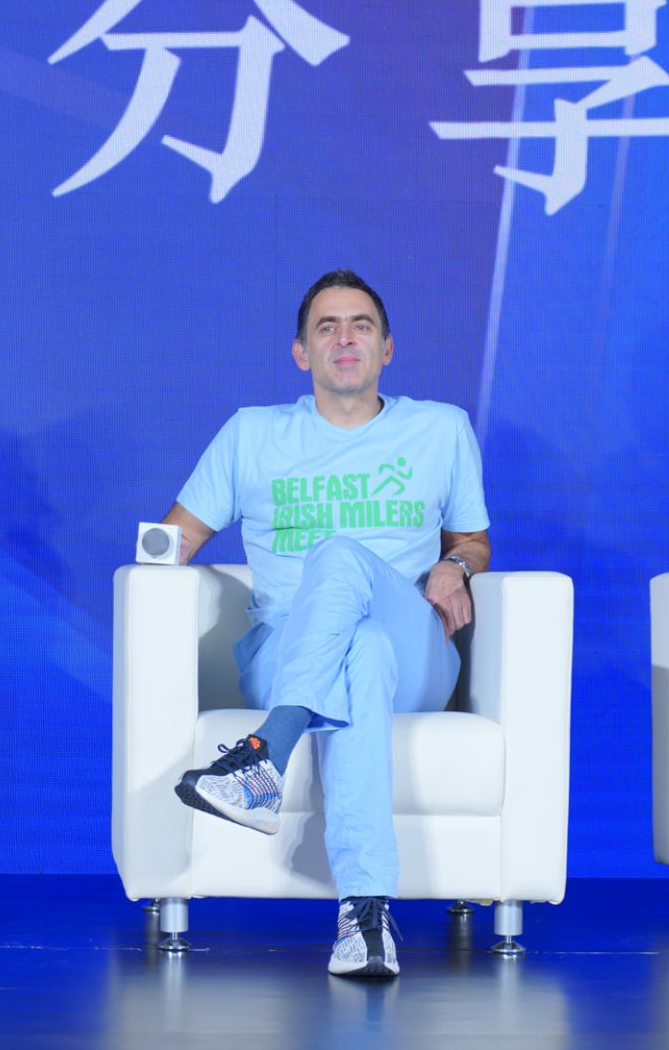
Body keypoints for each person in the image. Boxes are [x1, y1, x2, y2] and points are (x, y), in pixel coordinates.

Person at [160, 269, 489, 979]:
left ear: (387, 348)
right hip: (286, 650)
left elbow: (473, 540)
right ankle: (364, 920)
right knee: (358, 649)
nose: (345, 338)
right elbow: (173, 540)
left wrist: (456, 563)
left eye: (361, 325)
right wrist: (147, 581)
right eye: (327, 327)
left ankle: (264, 756)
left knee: (344, 566)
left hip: (416, 652)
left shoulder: (440, 429)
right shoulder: (253, 434)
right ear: (300, 352)